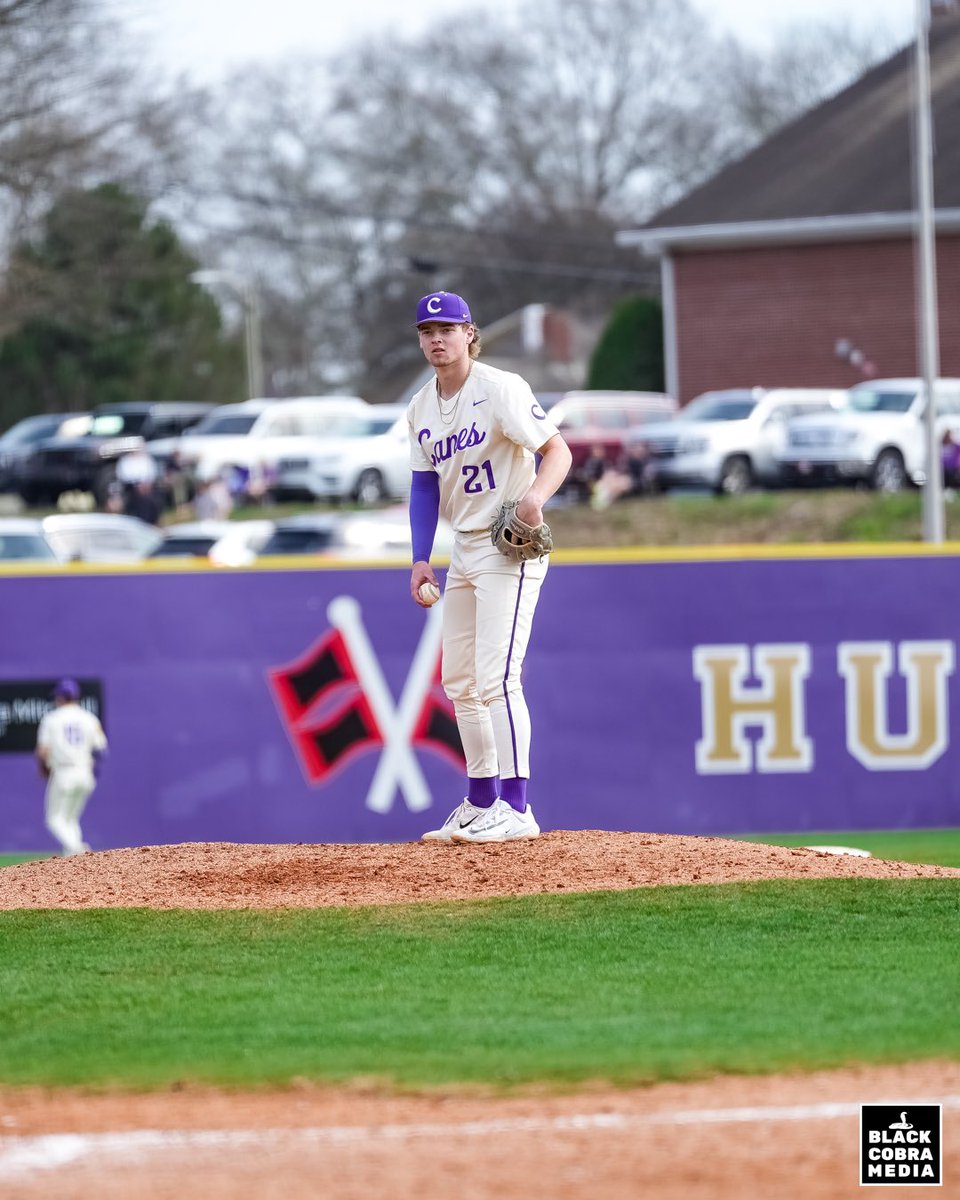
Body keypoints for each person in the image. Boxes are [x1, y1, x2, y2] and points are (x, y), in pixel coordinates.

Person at [407, 291, 572, 844]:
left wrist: (534, 500)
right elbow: (423, 486)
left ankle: (517, 808)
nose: (437, 338)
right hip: (463, 548)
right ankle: (481, 801)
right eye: (428, 331)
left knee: (498, 677)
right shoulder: (420, 407)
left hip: (507, 544)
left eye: (447, 329)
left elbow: (558, 452)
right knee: (459, 680)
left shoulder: (500, 388)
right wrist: (420, 558)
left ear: (469, 333)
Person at [35, 678, 108, 857]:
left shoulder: (51, 719)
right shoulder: (89, 718)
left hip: (63, 772)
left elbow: (42, 751)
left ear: (60, 697)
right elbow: (101, 750)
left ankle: (77, 850)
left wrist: (43, 768)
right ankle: (73, 859)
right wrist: (92, 768)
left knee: (54, 820)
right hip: (85, 772)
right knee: (70, 819)